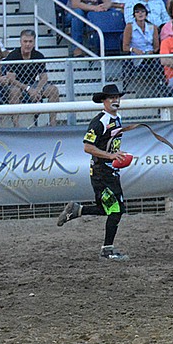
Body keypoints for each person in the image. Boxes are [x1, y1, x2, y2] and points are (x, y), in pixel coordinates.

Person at [56, 84, 132, 261]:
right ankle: (107, 250)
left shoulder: (117, 118)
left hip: (110, 171)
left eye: (117, 97)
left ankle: (78, 210)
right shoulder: (100, 122)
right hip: (101, 172)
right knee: (116, 210)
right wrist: (111, 155)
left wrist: (116, 156)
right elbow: (88, 147)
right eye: (111, 97)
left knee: (110, 209)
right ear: (103, 101)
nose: (115, 100)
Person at [3, 29, 60, 127]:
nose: (28, 44)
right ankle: (16, 126)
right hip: (18, 85)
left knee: (53, 90)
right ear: (21, 42)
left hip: (33, 85)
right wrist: (28, 89)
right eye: (25, 41)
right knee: (14, 91)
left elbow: (44, 77)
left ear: (34, 42)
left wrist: (37, 90)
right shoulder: (13, 55)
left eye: (30, 41)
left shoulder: (38, 56)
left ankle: (53, 123)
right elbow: (11, 79)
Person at [122, 2, 161, 98]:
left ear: (146, 14)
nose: (140, 14)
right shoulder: (129, 27)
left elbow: (156, 46)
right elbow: (125, 47)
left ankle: (160, 87)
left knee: (156, 62)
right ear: (134, 14)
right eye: (137, 12)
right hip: (136, 55)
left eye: (142, 11)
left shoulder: (153, 27)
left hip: (150, 55)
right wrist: (134, 49)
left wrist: (152, 51)